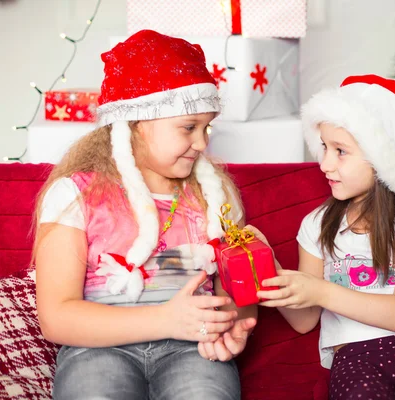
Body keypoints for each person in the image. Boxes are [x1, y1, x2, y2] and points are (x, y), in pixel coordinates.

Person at [33, 30, 256, 400]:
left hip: (191, 349)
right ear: (134, 125)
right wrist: (165, 319)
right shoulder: (75, 194)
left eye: (207, 127)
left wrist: (233, 324)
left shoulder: (216, 195)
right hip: (98, 349)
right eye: (188, 128)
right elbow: (56, 317)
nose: (202, 143)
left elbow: (236, 293)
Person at [254, 75, 395, 399]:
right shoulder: (317, 225)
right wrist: (270, 269)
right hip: (353, 353)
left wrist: (320, 290)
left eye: (341, 151)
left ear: (383, 159)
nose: (325, 163)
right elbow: (304, 321)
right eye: (324, 147)